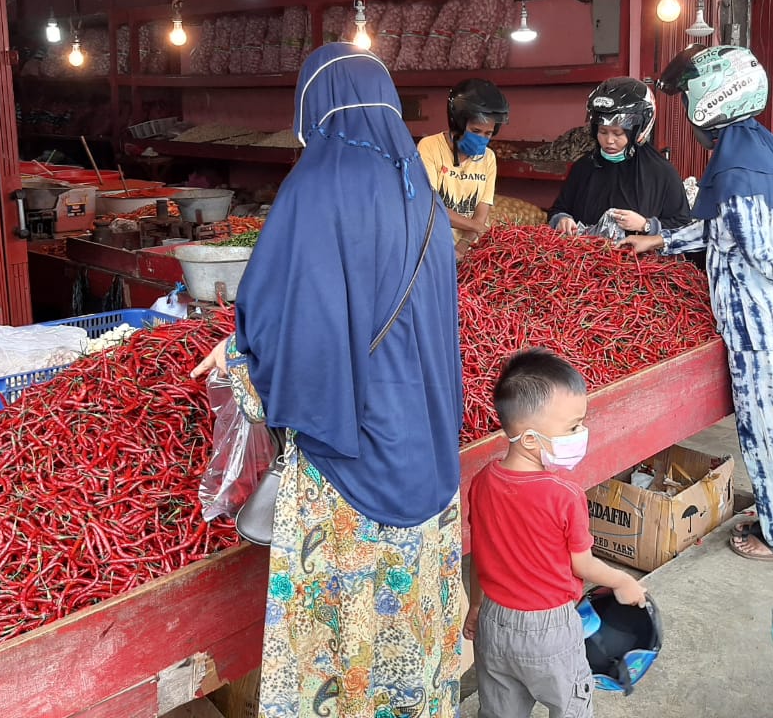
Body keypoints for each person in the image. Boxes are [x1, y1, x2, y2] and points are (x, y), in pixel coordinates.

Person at [190, 43, 465, 717]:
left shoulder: (316, 187)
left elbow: (293, 325)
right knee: (410, 630)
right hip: (425, 450)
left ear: (315, 106)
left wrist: (241, 358)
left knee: (341, 643)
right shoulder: (424, 194)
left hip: (351, 461)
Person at [620, 45, 773, 564]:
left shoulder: (735, 164)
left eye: (687, 100)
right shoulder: (758, 146)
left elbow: (756, 246)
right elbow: (725, 229)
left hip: (762, 328)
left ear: (708, 102)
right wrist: (661, 238)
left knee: (770, 436)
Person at [465, 349, 647, 718]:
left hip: (494, 622)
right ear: (530, 440)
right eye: (573, 427)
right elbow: (582, 564)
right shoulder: (565, 495)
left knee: (500, 710)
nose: (581, 434)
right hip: (549, 630)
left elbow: (481, 554)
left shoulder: (483, 481)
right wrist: (623, 580)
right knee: (571, 707)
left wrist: (476, 605)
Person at [549, 78, 692, 238]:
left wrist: (646, 225)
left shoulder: (661, 173)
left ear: (638, 131)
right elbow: (558, 209)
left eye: (618, 133)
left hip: (638, 255)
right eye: (603, 132)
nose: (609, 140)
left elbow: (684, 227)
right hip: (584, 253)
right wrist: (561, 219)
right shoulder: (583, 167)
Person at [419, 78, 510, 257]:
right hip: (432, 247)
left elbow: (481, 212)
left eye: (488, 133)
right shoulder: (429, 147)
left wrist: (461, 247)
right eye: (475, 131)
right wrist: (479, 228)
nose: (482, 138)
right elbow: (431, 207)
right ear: (458, 124)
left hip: (467, 251)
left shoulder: (488, 158)